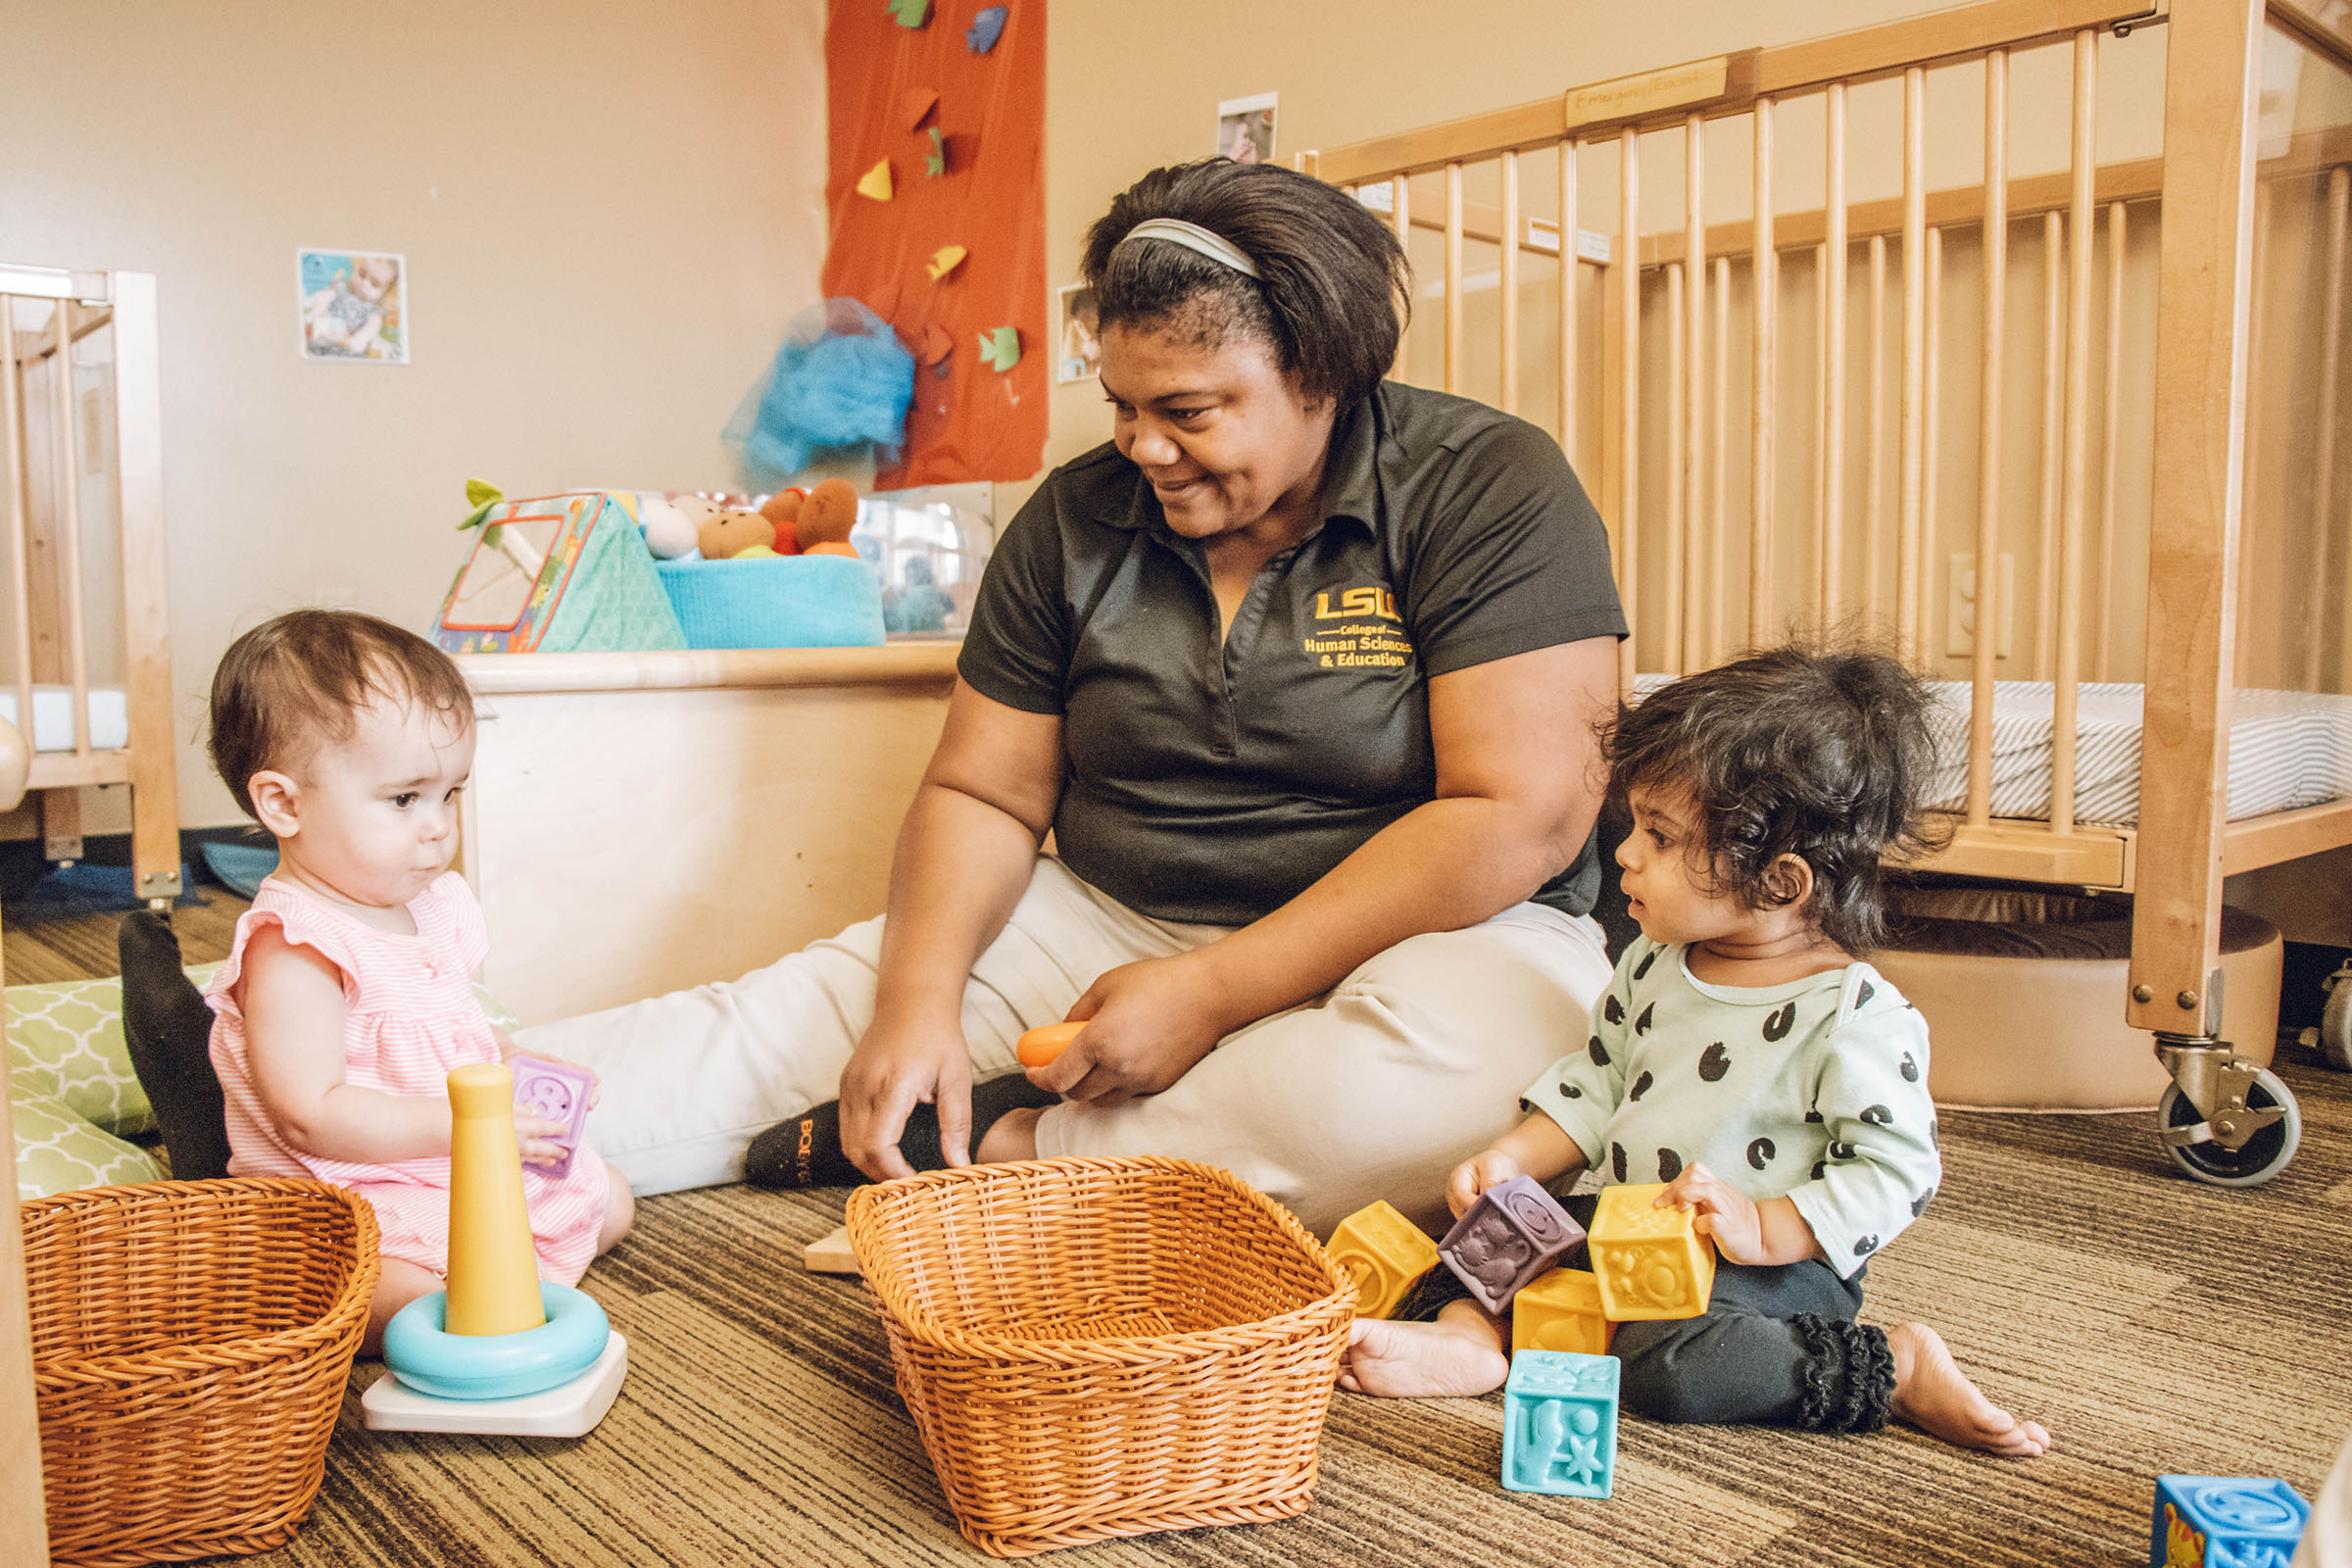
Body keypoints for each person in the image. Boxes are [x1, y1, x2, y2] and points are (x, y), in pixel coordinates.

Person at [516, 157, 1627, 1237]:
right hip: (1111, 915)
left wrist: (1211, 993)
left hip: (1446, 938)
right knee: (760, 1036)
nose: (1146, 445)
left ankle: (1010, 1151)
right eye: (1123, 405)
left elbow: (1518, 812)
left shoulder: (1489, 483)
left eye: (1191, 409)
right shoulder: (1075, 515)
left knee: (1402, 1105)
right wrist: (917, 1006)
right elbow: (985, 793)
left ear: (1320, 373)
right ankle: (393, 1101)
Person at [1338, 648, 2052, 1458]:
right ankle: (1472, 1339)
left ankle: (1894, 1369)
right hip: (1622, 1221)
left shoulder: (1854, 1016)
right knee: (1476, 1252)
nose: (1626, 856)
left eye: (1663, 837)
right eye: (1635, 825)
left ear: (1781, 884)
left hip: (1765, 1274)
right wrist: (1514, 1157)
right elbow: (1601, 1082)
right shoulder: (1651, 961)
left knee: (1666, 1368)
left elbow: (1896, 1172)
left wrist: (1764, 1225)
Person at [201, 610, 633, 1347]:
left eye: (450, 794)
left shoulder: (425, 908)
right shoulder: (296, 947)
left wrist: (507, 1063)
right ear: (283, 803)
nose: (437, 826)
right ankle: (440, 1306)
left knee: (611, 1197)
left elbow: (448, 1029)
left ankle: (500, 1288)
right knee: (401, 1291)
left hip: (441, 1159)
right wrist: (462, 1123)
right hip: (347, 1190)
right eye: (404, 799)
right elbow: (311, 1114)